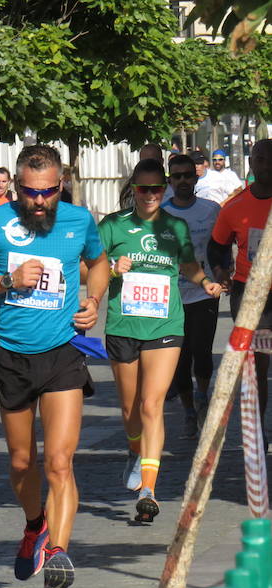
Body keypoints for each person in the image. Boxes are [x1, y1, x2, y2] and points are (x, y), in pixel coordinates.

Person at [0, 144, 110, 588]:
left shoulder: (79, 220)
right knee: (23, 463)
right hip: (11, 357)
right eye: (30, 192)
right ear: (17, 186)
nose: (39, 201)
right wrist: (8, 281)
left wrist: (93, 301)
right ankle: (34, 525)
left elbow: (98, 264)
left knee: (60, 462)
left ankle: (59, 552)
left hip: (62, 353)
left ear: (60, 185)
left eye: (48, 192)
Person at [100, 158, 222, 524]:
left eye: (157, 188)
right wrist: (110, 267)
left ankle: (149, 490)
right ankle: (134, 450)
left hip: (165, 324)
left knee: (152, 405)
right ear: (133, 189)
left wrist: (205, 283)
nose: (151, 195)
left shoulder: (175, 227)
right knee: (130, 411)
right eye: (144, 189)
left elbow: (188, 264)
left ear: (164, 188)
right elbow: (90, 265)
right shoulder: (112, 225)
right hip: (123, 326)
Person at [208, 138, 272, 446]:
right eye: (260, 159)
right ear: (251, 164)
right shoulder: (235, 207)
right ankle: (257, 434)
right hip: (250, 294)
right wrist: (221, 271)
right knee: (257, 364)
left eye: (270, 159)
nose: (266, 165)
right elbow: (216, 247)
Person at [161, 154, 222, 439]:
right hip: (173, 296)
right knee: (180, 359)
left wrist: (223, 271)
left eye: (188, 175)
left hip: (205, 291)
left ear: (196, 178)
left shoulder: (211, 210)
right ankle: (188, 410)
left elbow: (221, 245)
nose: (183, 180)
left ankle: (202, 394)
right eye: (177, 176)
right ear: (170, 181)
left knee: (202, 352)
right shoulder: (160, 212)